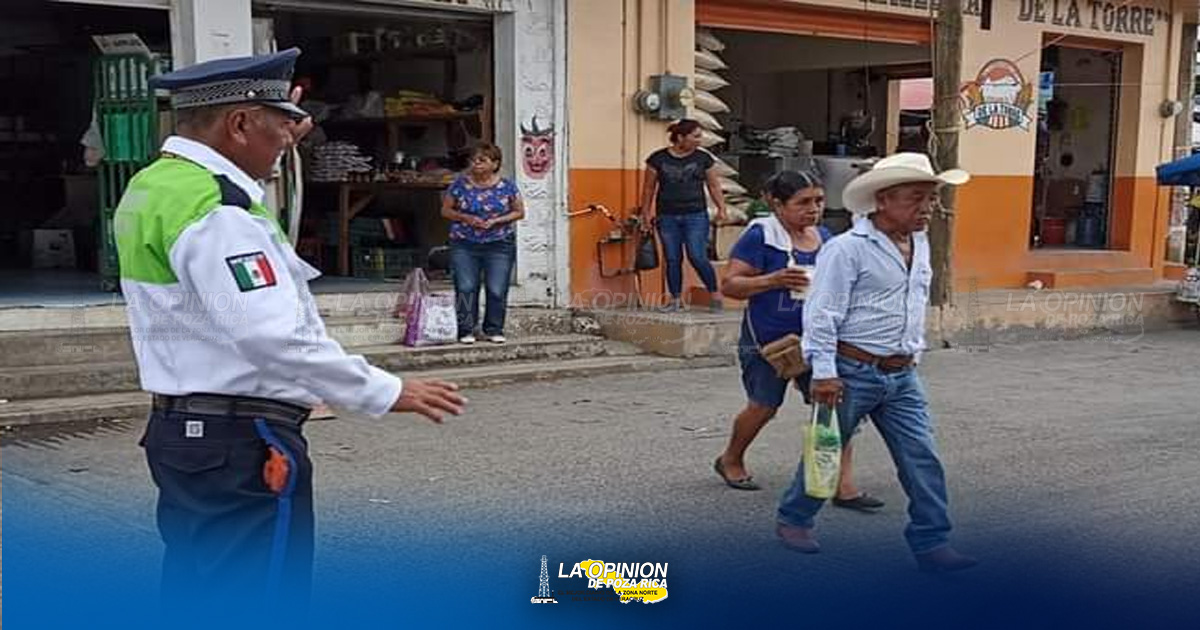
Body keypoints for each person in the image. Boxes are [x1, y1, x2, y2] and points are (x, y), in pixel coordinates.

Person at [114, 48, 466, 616]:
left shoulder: (156, 186)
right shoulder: (219, 209)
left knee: (197, 591)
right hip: (242, 442)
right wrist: (382, 390)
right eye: (280, 126)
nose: (288, 140)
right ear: (239, 123)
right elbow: (270, 336)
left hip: (184, 433)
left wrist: (273, 135)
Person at [775, 152, 978, 573]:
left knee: (922, 457)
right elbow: (822, 315)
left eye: (932, 199)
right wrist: (825, 374)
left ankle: (931, 541)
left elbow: (911, 304)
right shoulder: (848, 250)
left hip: (901, 373)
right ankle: (795, 519)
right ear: (883, 200)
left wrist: (914, 352)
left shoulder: (920, 243)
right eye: (917, 198)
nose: (927, 209)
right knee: (825, 455)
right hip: (852, 371)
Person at [712, 171, 827, 490]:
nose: (813, 209)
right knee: (764, 405)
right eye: (803, 202)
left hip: (814, 337)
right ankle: (731, 459)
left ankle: (827, 473)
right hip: (767, 338)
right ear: (777, 204)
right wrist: (772, 280)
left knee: (828, 404)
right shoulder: (760, 236)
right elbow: (731, 285)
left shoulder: (825, 237)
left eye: (818, 201)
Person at [441, 143, 525, 344]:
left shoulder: (507, 186)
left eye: (482, 160)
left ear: (495, 164)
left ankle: (494, 328)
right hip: (464, 243)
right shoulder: (460, 185)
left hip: (499, 243)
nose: (476, 163)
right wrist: (466, 218)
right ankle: (466, 329)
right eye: (474, 160)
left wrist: (496, 221)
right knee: (466, 286)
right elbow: (445, 211)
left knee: (496, 288)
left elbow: (519, 212)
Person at [640, 119, 727, 312]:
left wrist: (722, 208)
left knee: (697, 256)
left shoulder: (703, 159)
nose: (699, 140)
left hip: (696, 215)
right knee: (672, 258)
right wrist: (645, 212)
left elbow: (713, 185)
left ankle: (714, 293)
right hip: (667, 216)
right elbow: (648, 189)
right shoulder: (658, 159)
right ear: (680, 137)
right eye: (695, 136)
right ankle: (675, 299)